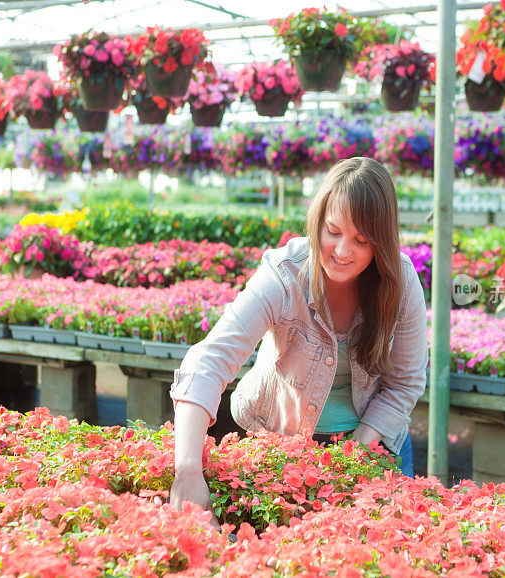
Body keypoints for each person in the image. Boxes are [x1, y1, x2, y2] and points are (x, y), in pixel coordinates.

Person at [169, 157, 428, 520]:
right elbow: (209, 362)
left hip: (373, 442)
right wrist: (187, 472)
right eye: (333, 231)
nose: (341, 251)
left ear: (380, 242)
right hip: (281, 441)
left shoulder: (400, 283)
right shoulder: (284, 275)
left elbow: (405, 382)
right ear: (318, 221)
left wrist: (354, 456)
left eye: (361, 240)